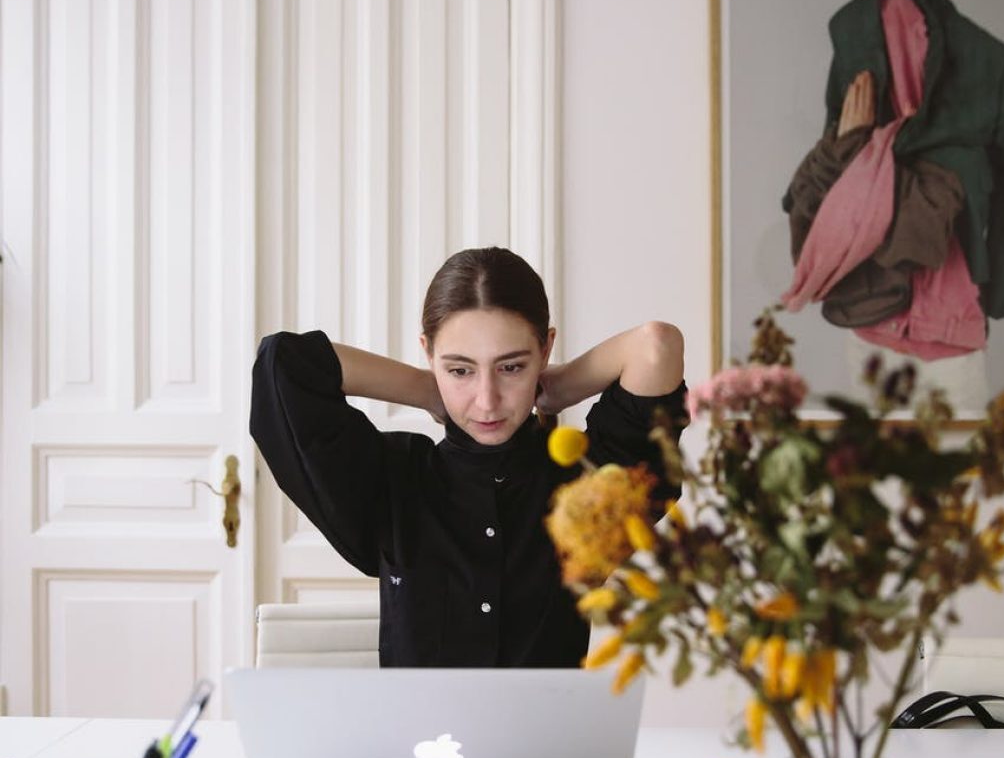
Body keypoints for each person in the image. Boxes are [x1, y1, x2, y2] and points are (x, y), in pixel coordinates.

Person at [250, 246, 687, 668]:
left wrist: (560, 386)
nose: (487, 400)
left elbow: (655, 345)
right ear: (429, 353)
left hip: (551, 745)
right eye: (460, 369)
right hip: (415, 745)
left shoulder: (585, 490)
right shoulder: (393, 481)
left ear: (544, 350)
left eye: (511, 367)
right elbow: (283, 363)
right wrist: (425, 389)